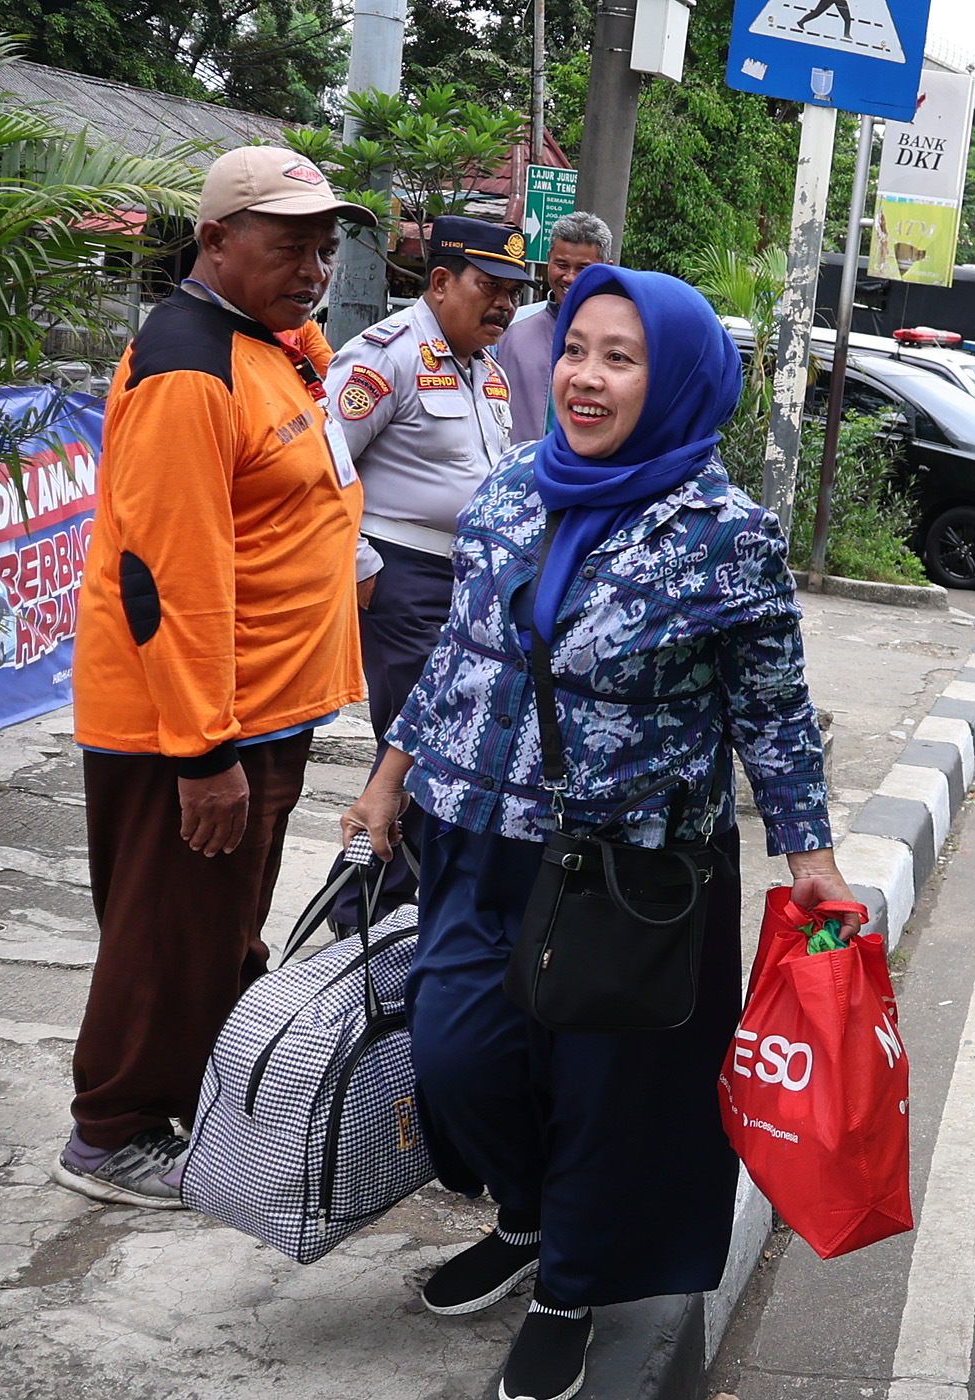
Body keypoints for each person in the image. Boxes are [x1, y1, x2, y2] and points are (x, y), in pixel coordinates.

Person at [341, 264, 852, 1400]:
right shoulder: (514, 483)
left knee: (601, 1088)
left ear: (670, 379)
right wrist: (388, 781)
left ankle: (570, 1283)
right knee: (458, 1050)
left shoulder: (729, 533)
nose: (585, 375)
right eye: (576, 348)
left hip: (630, 858)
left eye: (620, 357)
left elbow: (771, 709)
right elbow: (462, 656)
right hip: (474, 828)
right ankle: (525, 1218)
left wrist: (809, 854)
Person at [55, 146, 375, 1208]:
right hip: (190, 721)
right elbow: (167, 576)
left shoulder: (271, 345)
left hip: (263, 707)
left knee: (212, 926)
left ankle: (189, 1092)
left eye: (325, 248)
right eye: (287, 246)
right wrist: (205, 753)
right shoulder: (190, 365)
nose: (314, 268)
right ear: (215, 242)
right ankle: (114, 1127)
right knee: (164, 927)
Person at [326, 215, 526, 746]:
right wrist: (366, 572)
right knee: (414, 739)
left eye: (513, 291)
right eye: (490, 286)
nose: (504, 304)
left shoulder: (488, 371)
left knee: (455, 739)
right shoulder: (384, 355)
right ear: (440, 283)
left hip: (469, 576)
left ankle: (395, 831)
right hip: (401, 573)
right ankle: (382, 829)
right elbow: (322, 473)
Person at [494, 210, 612, 444]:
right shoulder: (510, 327)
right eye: (561, 265)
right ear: (548, 259)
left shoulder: (623, 336)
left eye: (583, 268)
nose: (569, 277)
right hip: (520, 469)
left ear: (607, 267)